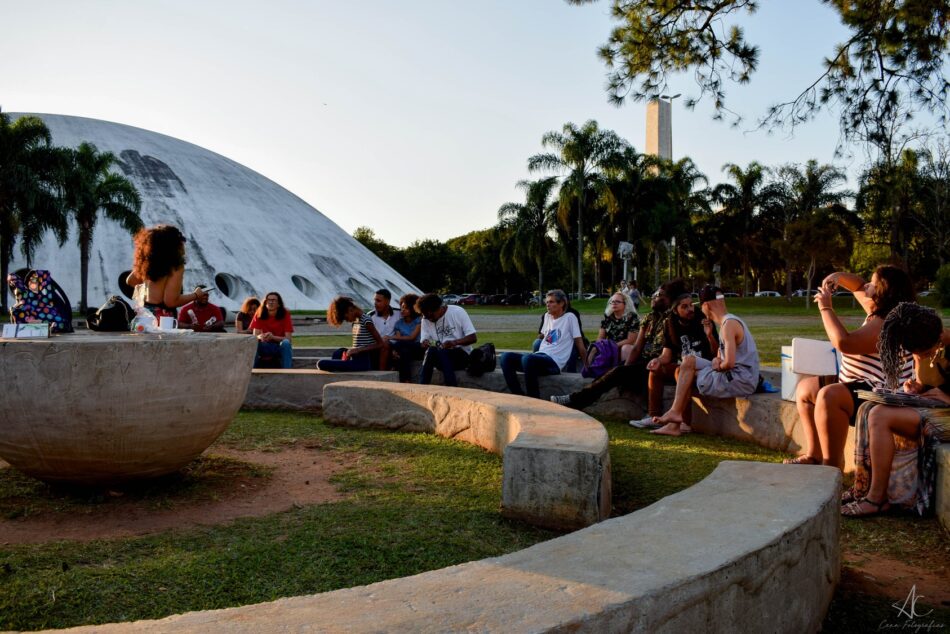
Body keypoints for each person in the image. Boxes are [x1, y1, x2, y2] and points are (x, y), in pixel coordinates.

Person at [785, 265, 915, 468]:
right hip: (860, 383)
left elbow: (844, 343)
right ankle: (814, 455)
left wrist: (826, 308)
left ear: (882, 291)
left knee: (829, 395)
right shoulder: (882, 310)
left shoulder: (887, 324)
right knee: (806, 390)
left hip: (880, 393)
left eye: (873, 283)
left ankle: (831, 465)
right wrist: (836, 277)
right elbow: (857, 286)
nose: (867, 286)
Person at [842, 303, 950, 517]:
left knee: (880, 415)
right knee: (867, 408)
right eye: (918, 354)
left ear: (939, 336)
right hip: (937, 410)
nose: (925, 357)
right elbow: (926, 383)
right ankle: (863, 488)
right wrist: (917, 388)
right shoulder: (921, 346)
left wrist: (948, 397)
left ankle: (877, 499)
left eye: (928, 352)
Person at [650, 285, 760, 437]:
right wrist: (717, 360)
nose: (695, 310)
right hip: (738, 376)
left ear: (706, 305)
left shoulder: (728, 326)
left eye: (697, 305)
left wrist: (717, 364)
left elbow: (729, 364)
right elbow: (723, 357)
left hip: (739, 380)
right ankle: (675, 416)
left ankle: (678, 420)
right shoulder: (729, 322)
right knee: (688, 361)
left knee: (685, 372)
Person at [549, 280, 673, 411]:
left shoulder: (669, 319)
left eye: (658, 294)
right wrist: (625, 367)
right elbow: (637, 347)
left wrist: (620, 360)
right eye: (612, 301)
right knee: (615, 371)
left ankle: (575, 400)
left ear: (669, 298)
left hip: (657, 364)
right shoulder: (649, 318)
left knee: (621, 365)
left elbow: (637, 345)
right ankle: (575, 398)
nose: (653, 297)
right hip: (640, 360)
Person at [630, 291, 718, 429]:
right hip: (684, 366)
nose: (690, 309)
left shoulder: (703, 319)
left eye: (691, 305)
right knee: (656, 370)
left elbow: (717, 353)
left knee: (679, 371)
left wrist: (710, 335)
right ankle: (653, 416)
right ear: (675, 310)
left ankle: (684, 422)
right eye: (684, 306)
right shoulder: (670, 323)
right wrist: (657, 360)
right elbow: (667, 355)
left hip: (705, 367)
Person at [502, 289, 587, 398]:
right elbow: (546, 338)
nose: (548, 305)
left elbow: (580, 344)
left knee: (528, 359)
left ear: (561, 303)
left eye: (551, 302)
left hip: (554, 363)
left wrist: (587, 366)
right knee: (506, 357)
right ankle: (518, 395)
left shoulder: (570, 317)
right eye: (547, 302)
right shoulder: (547, 316)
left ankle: (534, 398)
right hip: (540, 357)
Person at [125, 224, 207, 320]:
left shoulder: (148, 261)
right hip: (162, 318)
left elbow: (131, 281)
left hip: (144, 315)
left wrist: (150, 289)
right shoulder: (176, 266)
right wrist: (196, 295)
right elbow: (170, 301)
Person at [416, 293, 477, 386]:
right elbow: (424, 340)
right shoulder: (426, 319)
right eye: (426, 316)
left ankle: (451, 387)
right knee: (431, 350)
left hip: (462, 356)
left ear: (439, 308)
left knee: (442, 352)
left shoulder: (457, 312)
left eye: (431, 316)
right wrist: (424, 342)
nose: (430, 319)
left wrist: (454, 342)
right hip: (442, 357)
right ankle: (422, 386)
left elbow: (473, 338)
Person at [317, 296, 385, 371]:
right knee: (338, 352)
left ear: (350, 310)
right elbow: (358, 345)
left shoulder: (366, 320)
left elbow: (380, 344)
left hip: (364, 361)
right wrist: (351, 351)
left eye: (346, 318)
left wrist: (358, 350)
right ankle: (338, 369)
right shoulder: (355, 322)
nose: (347, 320)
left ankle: (338, 369)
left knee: (321, 363)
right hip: (356, 357)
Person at [250, 292, 294, 368]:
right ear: (265, 302)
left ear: (279, 304)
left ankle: (287, 372)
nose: (270, 302)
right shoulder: (259, 313)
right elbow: (255, 336)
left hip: (278, 346)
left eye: (273, 300)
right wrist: (261, 336)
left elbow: (288, 339)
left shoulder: (285, 314)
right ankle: (252, 372)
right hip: (264, 345)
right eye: (268, 300)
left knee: (286, 343)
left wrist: (273, 337)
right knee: (253, 343)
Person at [597, 292, 639, 364]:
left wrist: (613, 346)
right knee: (595, 347)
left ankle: (624, 372)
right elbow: (600, 337)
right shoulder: (608, 317)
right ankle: (589, 370)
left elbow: (630, 340)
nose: (614, 303)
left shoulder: (632, 317)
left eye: (617, 301)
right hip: (610, 347)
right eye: (612, 301)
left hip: (625, 347)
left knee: (626, 348)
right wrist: (603, 346)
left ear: (625, 304)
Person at [389, 293, 423, 382]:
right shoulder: (399, 323)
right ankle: (406, 380)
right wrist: (396, 344)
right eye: (402, 307)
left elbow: (412, 337)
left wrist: (390, 337)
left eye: (406, 308)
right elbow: (399, 338)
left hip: (417, 347)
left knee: (400, 345)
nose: (402, 310)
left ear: (413, 308)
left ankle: (394, 365)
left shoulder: (418, 321)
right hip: (405, 349)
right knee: (404, 352)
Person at [370, 288, 399, 369]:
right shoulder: (370, 316)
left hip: (395, 346)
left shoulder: (399, 314)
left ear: (388, 301)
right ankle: (382, 373)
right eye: (375, 300)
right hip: (378, 346)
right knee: (384, 344)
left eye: (378, 301)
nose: (375, 303)